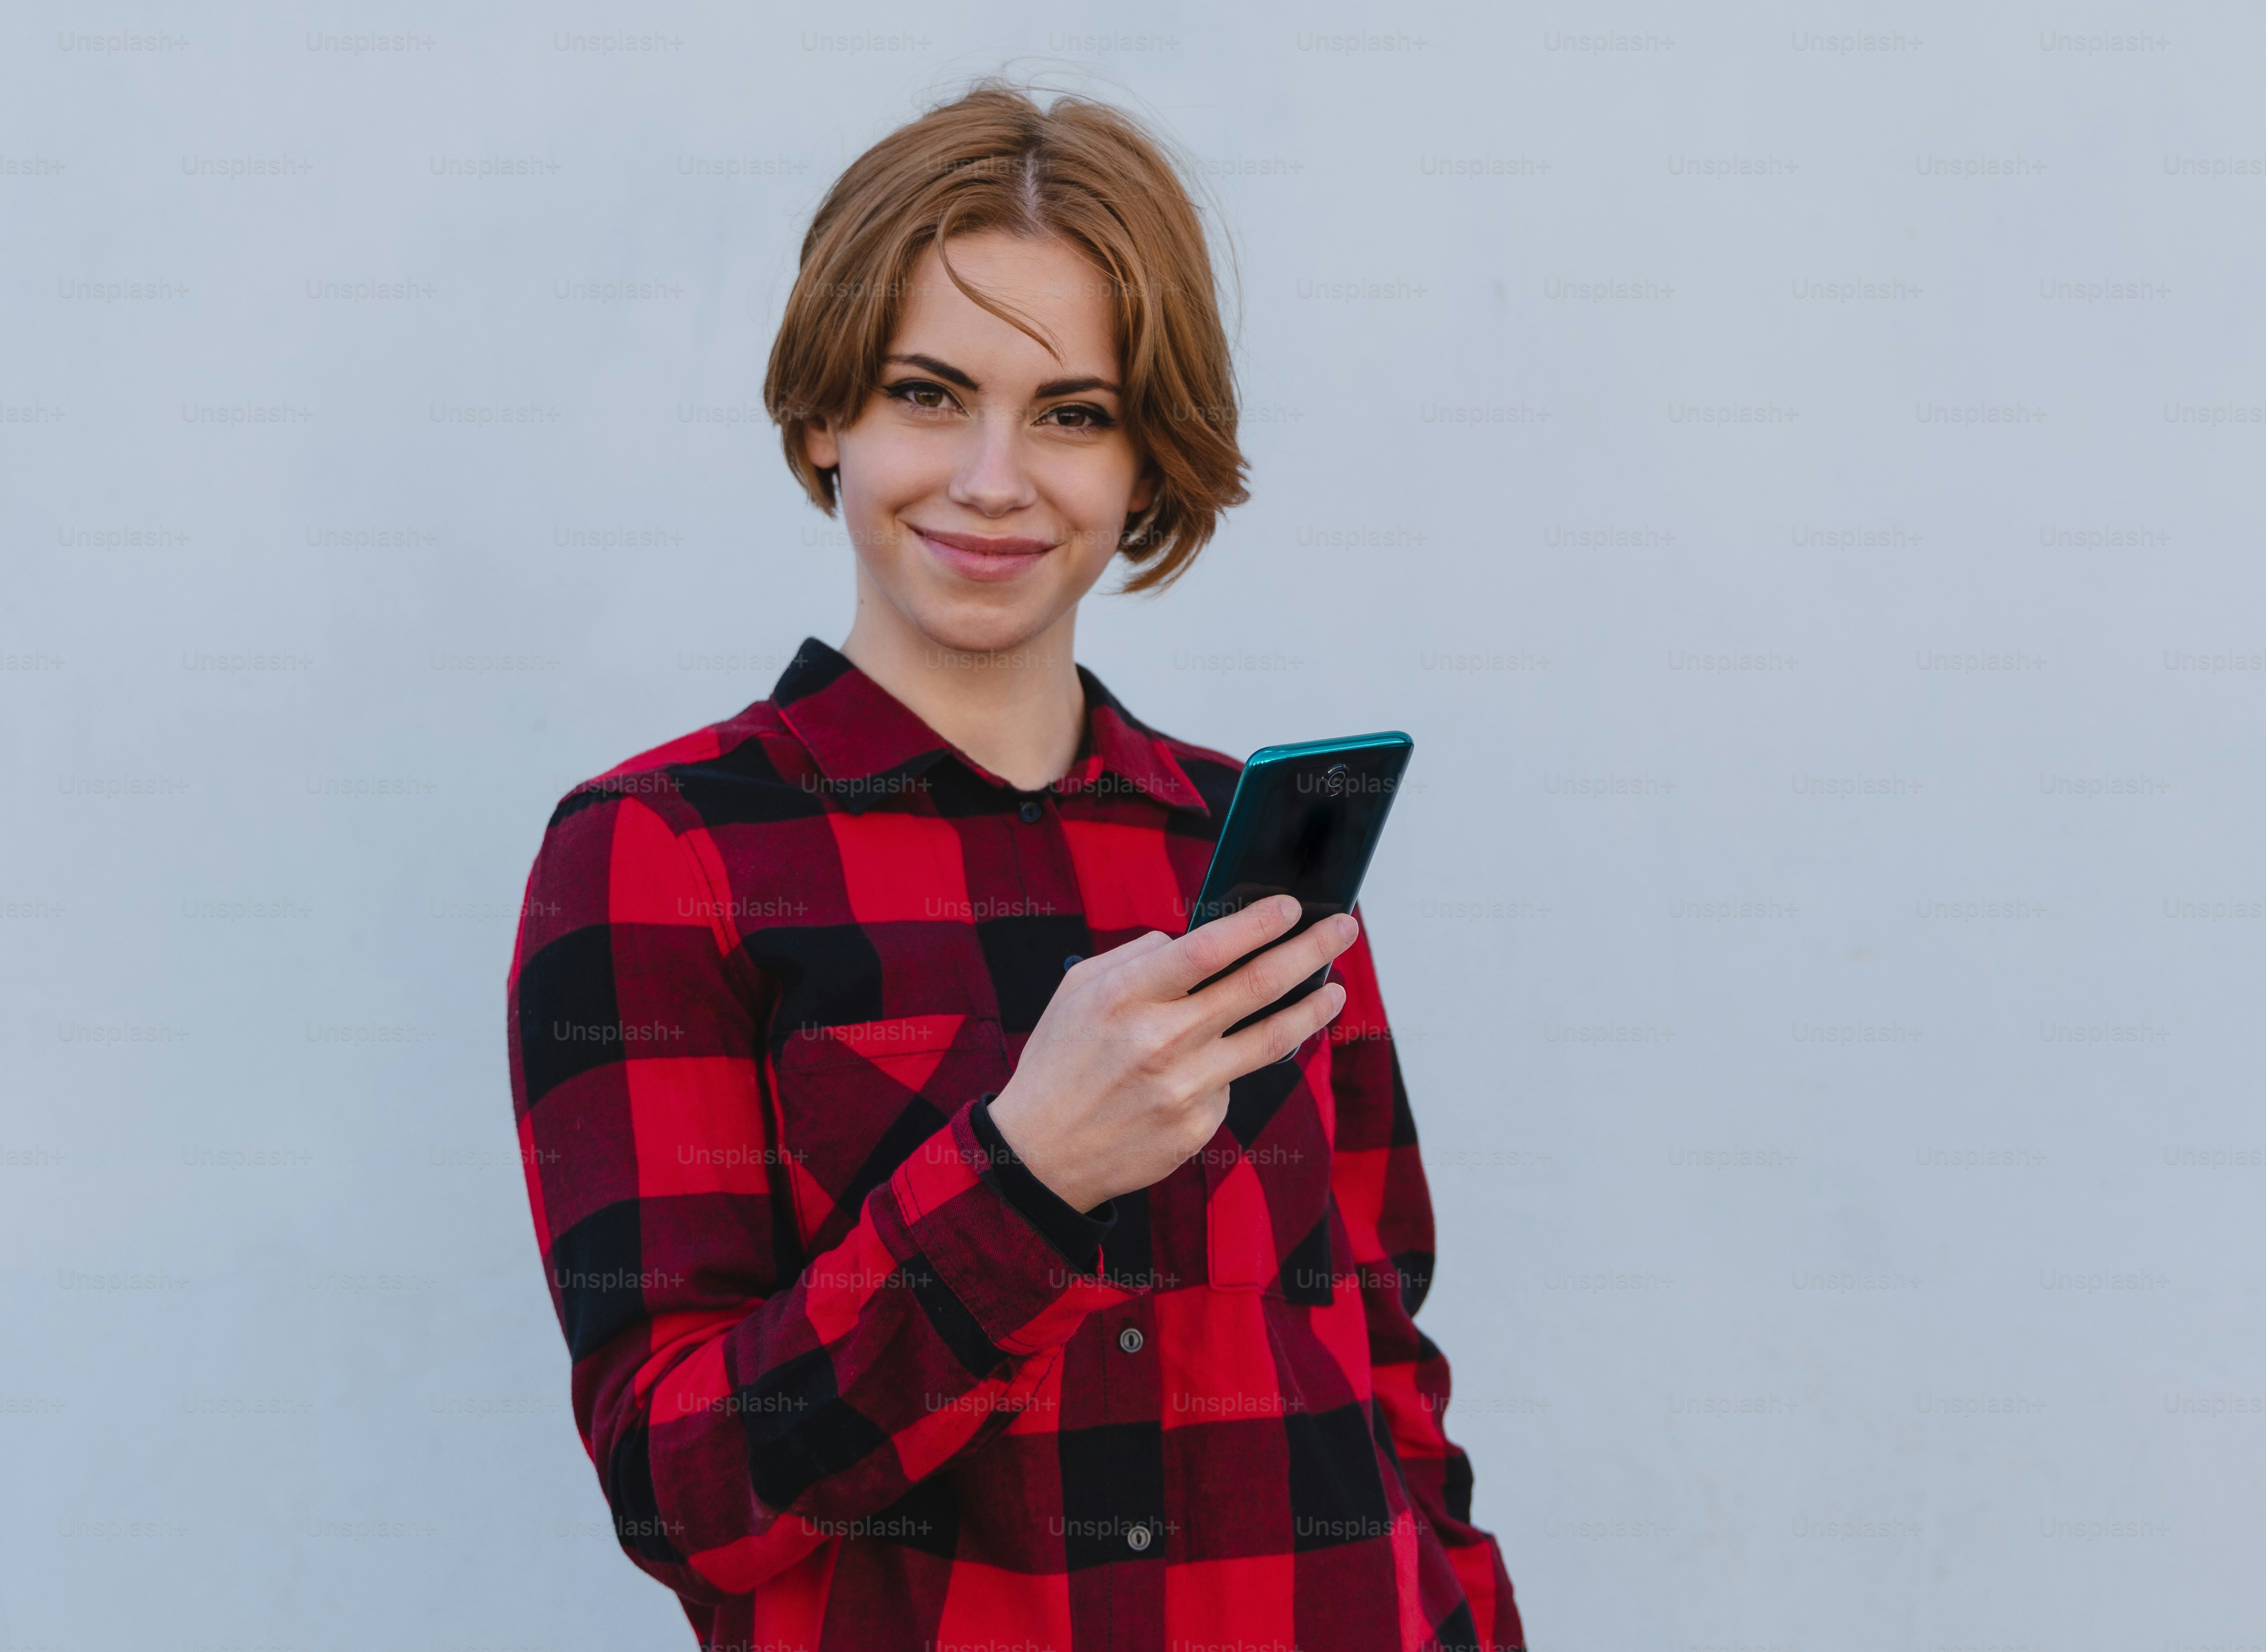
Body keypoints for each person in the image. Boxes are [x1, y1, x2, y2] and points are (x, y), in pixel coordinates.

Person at [503, 79, 1522, 1651]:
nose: (994, 478)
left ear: (1141, 462)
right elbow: (685, 1493)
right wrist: (1027, 1171)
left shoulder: (1239, 849)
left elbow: (1387, 1374)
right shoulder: (659, 853)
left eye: (1073, 412)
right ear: (825, 413)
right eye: (927, 393)